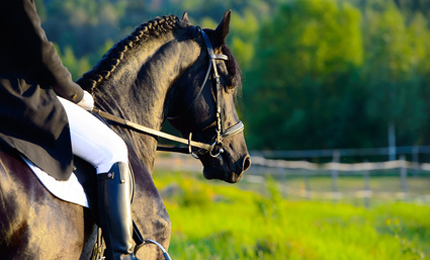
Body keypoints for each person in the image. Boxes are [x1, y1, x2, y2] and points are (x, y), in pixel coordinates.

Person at [0, 1, 140, 259]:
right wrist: (74, 93)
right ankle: (122, 255)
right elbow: (38, 49)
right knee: (113, 150)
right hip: (15, 97)